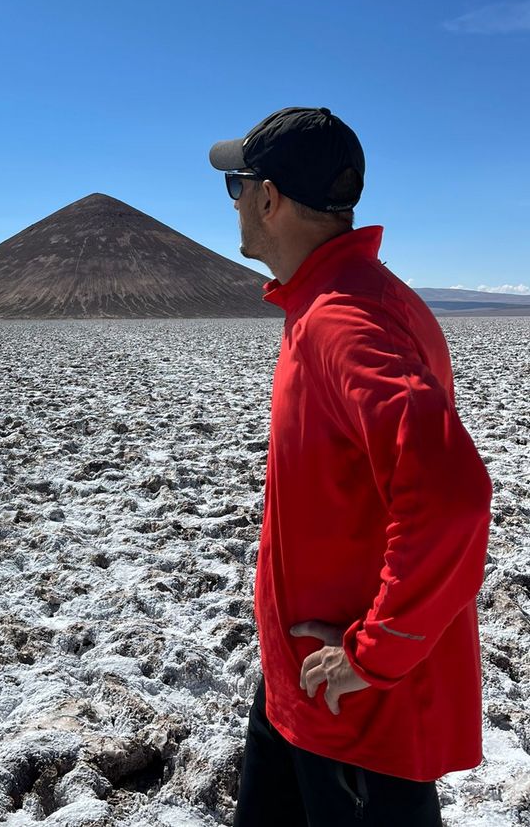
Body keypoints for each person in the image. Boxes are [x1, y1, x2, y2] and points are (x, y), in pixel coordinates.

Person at [208, 107, 493, 826]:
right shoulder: (341, 300)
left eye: (237, 184)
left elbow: (451, 497)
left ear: (268, 197)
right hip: (301, 688)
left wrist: (372, 653)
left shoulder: (346, 319)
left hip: (356, 713)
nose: (235, 200)